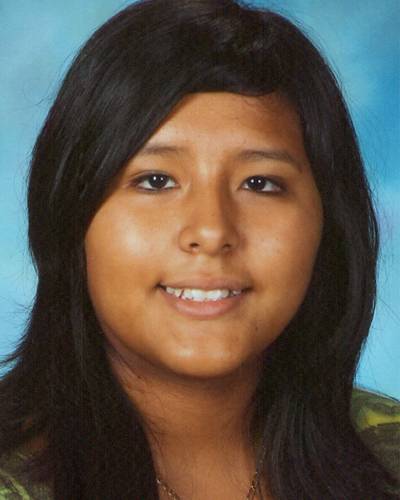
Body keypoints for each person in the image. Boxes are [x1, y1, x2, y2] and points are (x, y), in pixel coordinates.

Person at [0, 0, 399, 498]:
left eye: (260, 183)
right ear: (69, 214)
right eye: (156, 180)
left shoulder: (388, 455)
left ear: (329, 221)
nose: (211, 231)